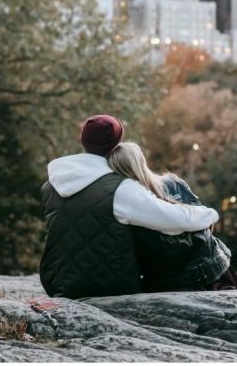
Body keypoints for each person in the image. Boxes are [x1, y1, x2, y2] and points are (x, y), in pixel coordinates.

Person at [39, 114, 219, 299]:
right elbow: (175, 220)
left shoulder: (52, 184)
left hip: (58, 284)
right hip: (107, 287)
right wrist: (210, 214)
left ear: (83, 140)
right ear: (117, 142)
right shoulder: (120, 189)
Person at [107, 142, 237, 292]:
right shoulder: (172, 183)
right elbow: (205, 225)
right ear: (141, 160)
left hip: (170, 280)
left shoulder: (124, 202)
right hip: (211, 268)